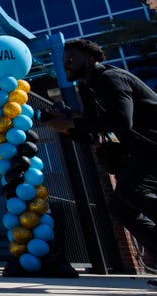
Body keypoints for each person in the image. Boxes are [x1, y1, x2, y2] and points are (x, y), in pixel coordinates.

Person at [43, 39, 157, 288]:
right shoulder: (88, 88)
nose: (66, 65)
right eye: (63, 62)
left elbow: (120, 121)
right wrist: (65, 126)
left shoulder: (110, 78)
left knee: (132, 192)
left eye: (71, 60)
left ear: (90, 58)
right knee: (120, 207)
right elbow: (94, 133)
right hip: (139, 152)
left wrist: (74, 123)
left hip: (152, 146)